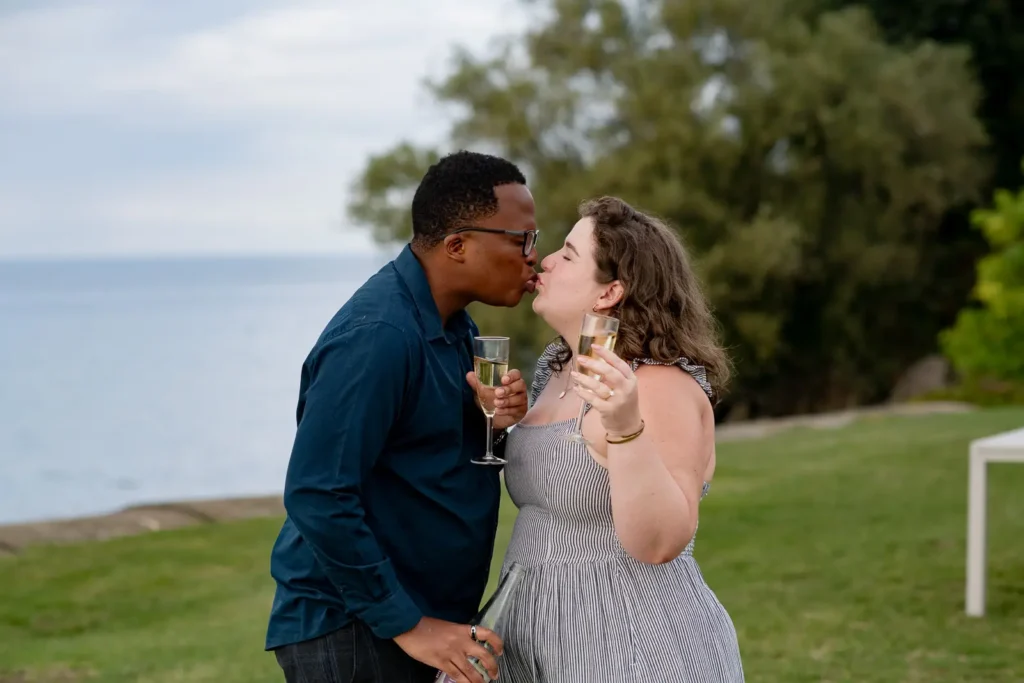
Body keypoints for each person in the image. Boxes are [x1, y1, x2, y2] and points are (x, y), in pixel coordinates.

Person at [265, 150, 540, 683]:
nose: (535, 257)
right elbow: (318, 492)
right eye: (521, 239)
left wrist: (499, 424)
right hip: (355, 631)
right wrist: (409, 625)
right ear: (457, 245)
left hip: (414, 624)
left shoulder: (457, 328)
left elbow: (431, 461)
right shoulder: (379, 337)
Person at [496, 196, 745, 682]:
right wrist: (505, 422)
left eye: (567, 255)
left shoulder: (658, 385)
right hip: (546, 647)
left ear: (610, 292)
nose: (545, 260)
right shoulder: (557, 371)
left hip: (635, 647)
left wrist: (625, 425)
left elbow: (659, 541)